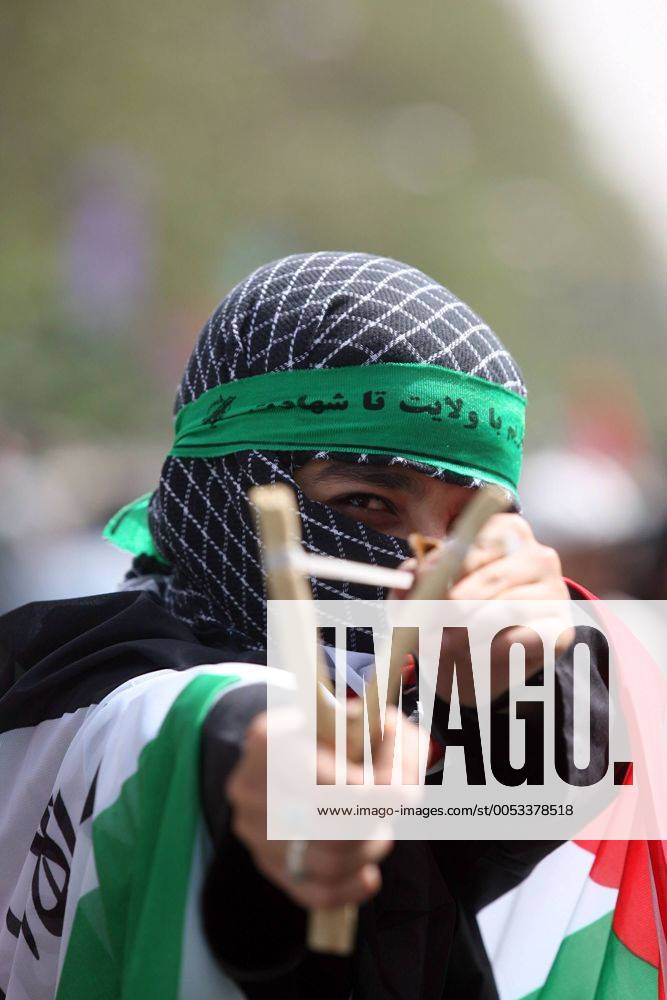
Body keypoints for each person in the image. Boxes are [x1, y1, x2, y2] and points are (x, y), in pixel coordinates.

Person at [0, 252, 609, 999]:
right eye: (367, 503)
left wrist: (523, 678)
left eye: (467, 526)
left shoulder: (440, 701)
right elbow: (212, 729)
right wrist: (272, 796)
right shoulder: (97, 688)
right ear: (229, 485)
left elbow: (482, 848)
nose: (427, 571)